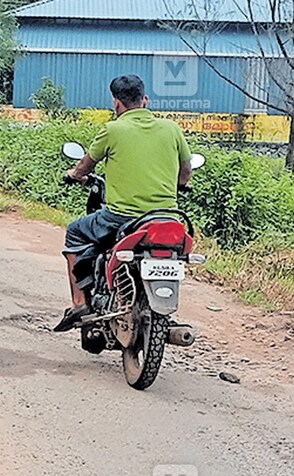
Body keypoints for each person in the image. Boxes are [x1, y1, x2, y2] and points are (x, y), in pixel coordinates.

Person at [53, 75, 194, 332]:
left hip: (121, 217)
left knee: (74, 231)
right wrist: (179, 185)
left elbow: (86, 165)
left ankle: (79, 303)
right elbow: (186, 170)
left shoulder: (112, 130)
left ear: (116, 104)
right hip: (167, 217)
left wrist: (74, 175)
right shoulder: (172, 129)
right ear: (145, 100)